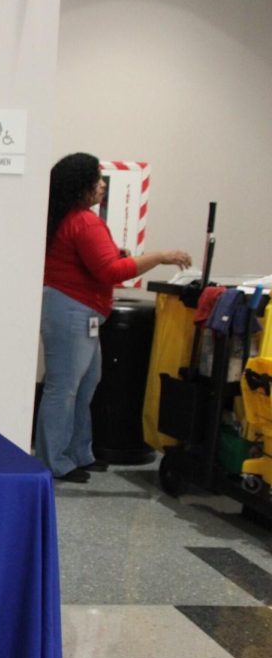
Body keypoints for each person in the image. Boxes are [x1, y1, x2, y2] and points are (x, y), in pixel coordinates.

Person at [37, 153, 192, 482]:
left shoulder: (65, 219)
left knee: (85, 383)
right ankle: (55, 461)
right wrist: (160, 256)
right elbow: (109, 272)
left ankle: (79, 452)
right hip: (72, 311)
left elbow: (96, 262)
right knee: (64, 388)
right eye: (96, 179)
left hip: (74, 311)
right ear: (81, 186)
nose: (102, 184)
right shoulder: (84, 221)